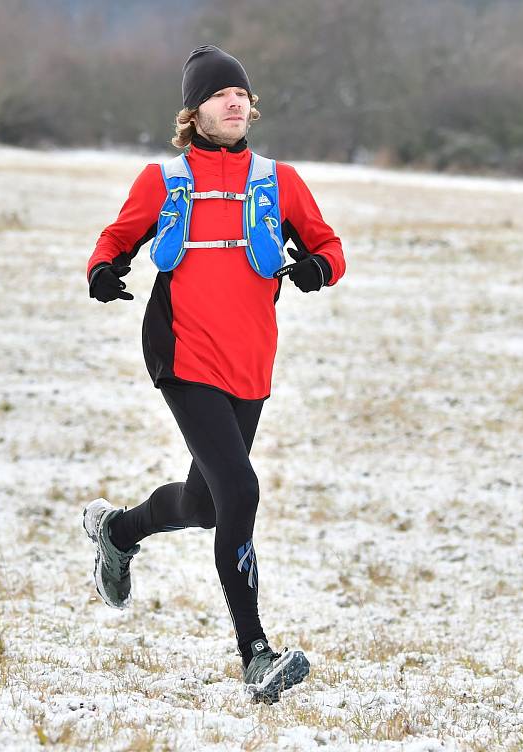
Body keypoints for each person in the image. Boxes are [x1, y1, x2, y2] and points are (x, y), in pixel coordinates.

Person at [82, 44, 346, 704]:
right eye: (218, 94)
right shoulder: (164, 180)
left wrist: (318, 269)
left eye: (241, 94)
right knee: (241, 488)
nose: (234, 102)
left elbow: (331, 247)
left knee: (207, 504)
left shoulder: (278, 181)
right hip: (183, 352)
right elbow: (114, 240)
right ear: (193, 111)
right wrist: (103, 271)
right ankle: (255, 655)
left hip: (250, 360)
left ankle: (118, 532)